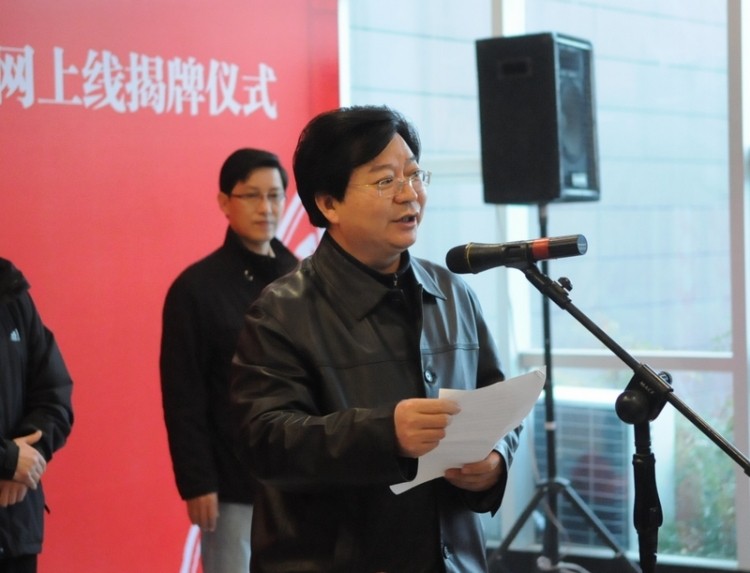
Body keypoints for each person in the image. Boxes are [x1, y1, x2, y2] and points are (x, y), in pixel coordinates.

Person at [230, 105, 522, 573]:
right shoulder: (281, 311)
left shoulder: (452, 293)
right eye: (385, 181)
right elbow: (264, 440)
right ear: (329, 204)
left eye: (414, 175)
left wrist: (495, 461)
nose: (410, 194)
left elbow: (496, 401)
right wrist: (385, 433)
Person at [160, 148, 298, 573]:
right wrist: (197, 482)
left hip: (300, 477)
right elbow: (184, 396)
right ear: (225, 202)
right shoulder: (196, 288)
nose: (266, 208)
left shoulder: (301, 278)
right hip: (232, 484)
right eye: (251, 195)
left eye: (274, 196)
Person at [0, 258, 74, 573]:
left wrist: (31, 455)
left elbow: (53, 392)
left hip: (13, 530)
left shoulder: (10, 291)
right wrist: (7, 460)